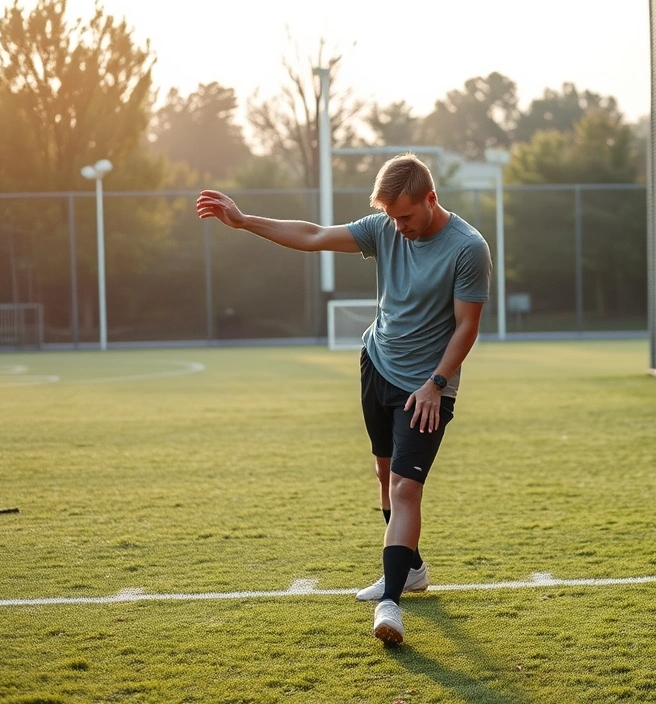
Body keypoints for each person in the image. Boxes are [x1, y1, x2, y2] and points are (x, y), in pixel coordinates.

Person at [195, 153, 491, 643]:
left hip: (426, 386)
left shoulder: (467, 249)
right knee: (383, 474)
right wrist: (245, 222)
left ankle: (392, 604)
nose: (400, 228)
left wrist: (436, 384)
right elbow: (312, 236)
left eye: (407, 217)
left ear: (431, 199)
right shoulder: (384, 229)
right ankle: (410, 568)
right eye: (392, 218)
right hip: (377, 365)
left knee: (404, 489)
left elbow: (467, 327)